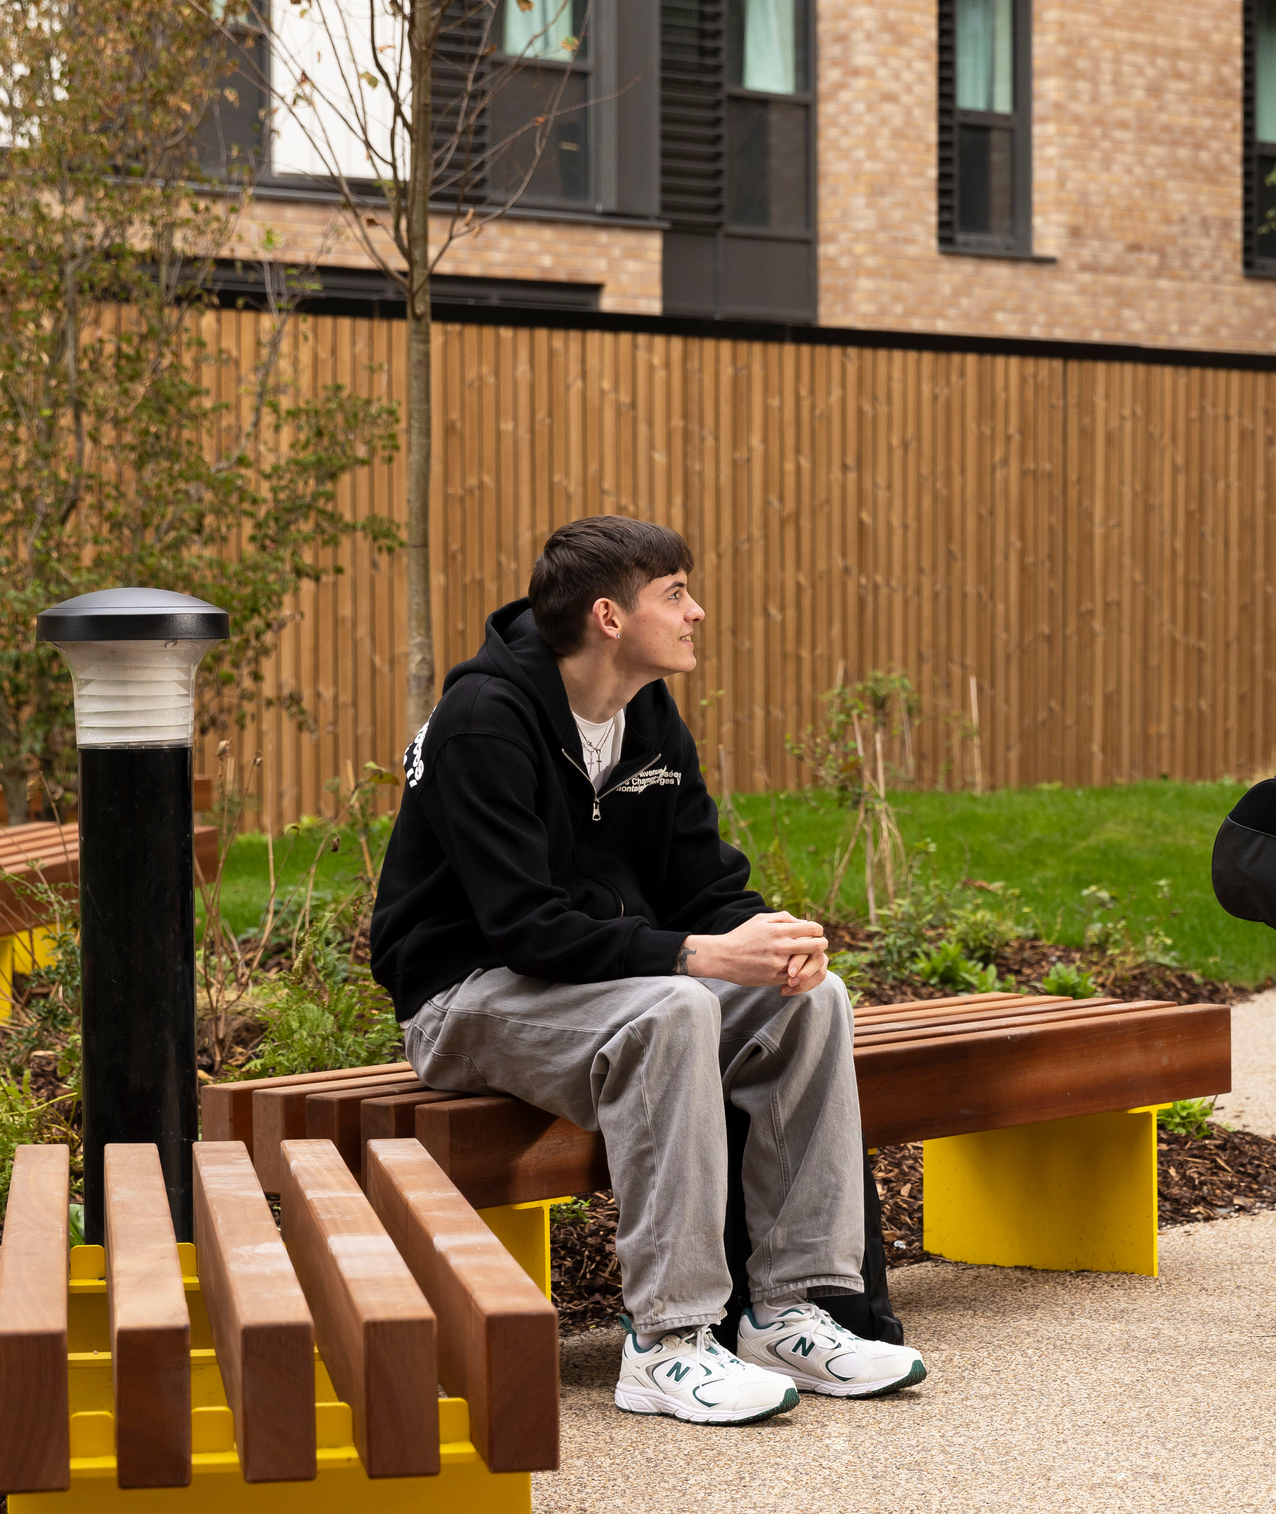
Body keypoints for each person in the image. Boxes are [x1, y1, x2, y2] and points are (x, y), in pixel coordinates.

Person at [367, 516, 927, 1425]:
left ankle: (791, 1311)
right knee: (672, 1010)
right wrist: (699, 955)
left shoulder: (647, 718)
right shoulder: (483, 719)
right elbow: (524, 926)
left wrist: (766, 937)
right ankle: (666, 1341)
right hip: (466, 995)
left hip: (602, 984)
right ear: (609, 616)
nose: (697, 610)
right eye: (675, 592)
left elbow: (700, 882)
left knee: (810, 1001)